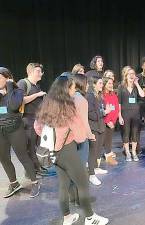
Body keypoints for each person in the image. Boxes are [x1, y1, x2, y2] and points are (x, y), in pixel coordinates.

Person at [34, 74, 109, 225]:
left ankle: (67, 218)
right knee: (83, 184)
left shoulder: (47, 104)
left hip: (53, 152)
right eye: (73, 88)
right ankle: (90, 218)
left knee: (63, 185)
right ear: (66, 89)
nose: (75, 91)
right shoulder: (68, 108)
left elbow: (37, 127)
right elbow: (81, 136)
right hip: (67, 150)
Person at [0, 67, 40, 198]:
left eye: (0, 77)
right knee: (4, 158)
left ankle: (34, 182)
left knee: (23, 156)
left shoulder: (17, 91)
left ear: (7, 78)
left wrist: (10, 87)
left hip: (16, 129)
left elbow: (13, 106)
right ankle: (14, 183)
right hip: (1, 131)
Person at [17, 63, 47, 176]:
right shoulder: (23, 83)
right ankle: (31, 171)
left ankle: (37, 166)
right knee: (30, 146)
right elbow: (21, 100)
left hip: (37, 119)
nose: (41, 73)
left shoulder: (36, 86)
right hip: (28, 119)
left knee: (35, 145)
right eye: (38, 71)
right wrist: (37, 94)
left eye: (41, 71)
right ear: (30, 72)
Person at [86, 76, 110, 186]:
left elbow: (101, 110)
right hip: (93, 127)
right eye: (100, 83)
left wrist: (105, 112)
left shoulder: (99, 96)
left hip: (100, 126)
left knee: (98, 149)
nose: (102, 85)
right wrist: (104, 112)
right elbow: (90, 114)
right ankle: (91, 174)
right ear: (94, 84)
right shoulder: (90, 96)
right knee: (93, 151)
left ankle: (95, 168)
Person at [118, 67, 145, 162]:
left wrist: (137, 84)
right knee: (126, 133)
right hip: (125, 113)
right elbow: (119, 103)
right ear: (126, 75)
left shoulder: (136, 86)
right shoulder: (121, 87)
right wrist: (119, 115)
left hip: (136, 113)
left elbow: (142, 95)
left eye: (133, 73)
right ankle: (127, 152)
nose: (131, 75)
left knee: (135, 133)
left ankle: (133, 151)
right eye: (129, 73)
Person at [102, 77, 119, 165]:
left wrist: (113, 121)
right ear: (104, 84)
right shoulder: (101, 95)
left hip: (112, 122)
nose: (111, 85)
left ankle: (108, 155)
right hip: (104, 122)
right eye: (109, 83)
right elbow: (101, 109)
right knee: (102, 140)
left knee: (109, 140)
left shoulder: (114, 95)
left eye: (111, 83)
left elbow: (116, 109)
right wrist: (107, 121)